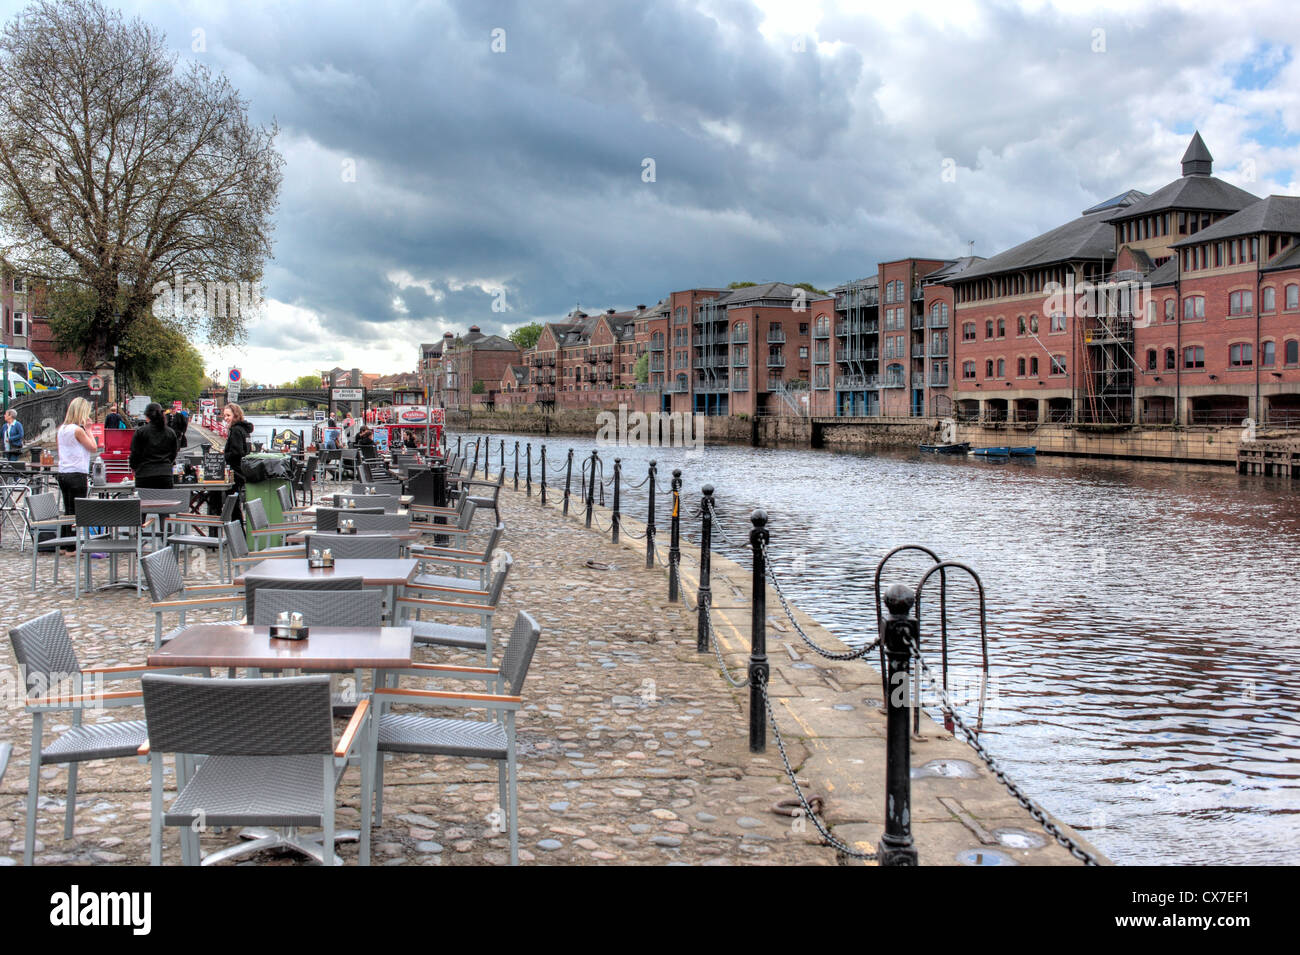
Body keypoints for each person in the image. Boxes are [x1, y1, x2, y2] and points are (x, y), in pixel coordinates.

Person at [56, 397, 99, 552]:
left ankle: (65, 544)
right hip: (77, 473)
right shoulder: (78, 430)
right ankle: (72, 547)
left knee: (68, 509)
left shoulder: (62, 429)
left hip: (64, 472)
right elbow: (93, 447)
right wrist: (89, 429)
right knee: (77, 511)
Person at [129, 403, 179, 489]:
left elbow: (135, 453)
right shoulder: (170, 432)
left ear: (147, 416)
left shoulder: (140, 432)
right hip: (165, 474)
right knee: (164, 498)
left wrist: (134, 467)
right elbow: (173, 453)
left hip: (144, 473)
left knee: (145, 498)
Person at [222, 402, 253, 522]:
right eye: (224, 416)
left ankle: (237, 528)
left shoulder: (235, 430)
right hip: (242, 470)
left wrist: (224, 454)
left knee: (233, 505)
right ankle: (238, 528)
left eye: (228, 415)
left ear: (236, 415)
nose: (225, 418)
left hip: (235, 471)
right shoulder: (244, 430)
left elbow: (237, 452)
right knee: (235, 503)